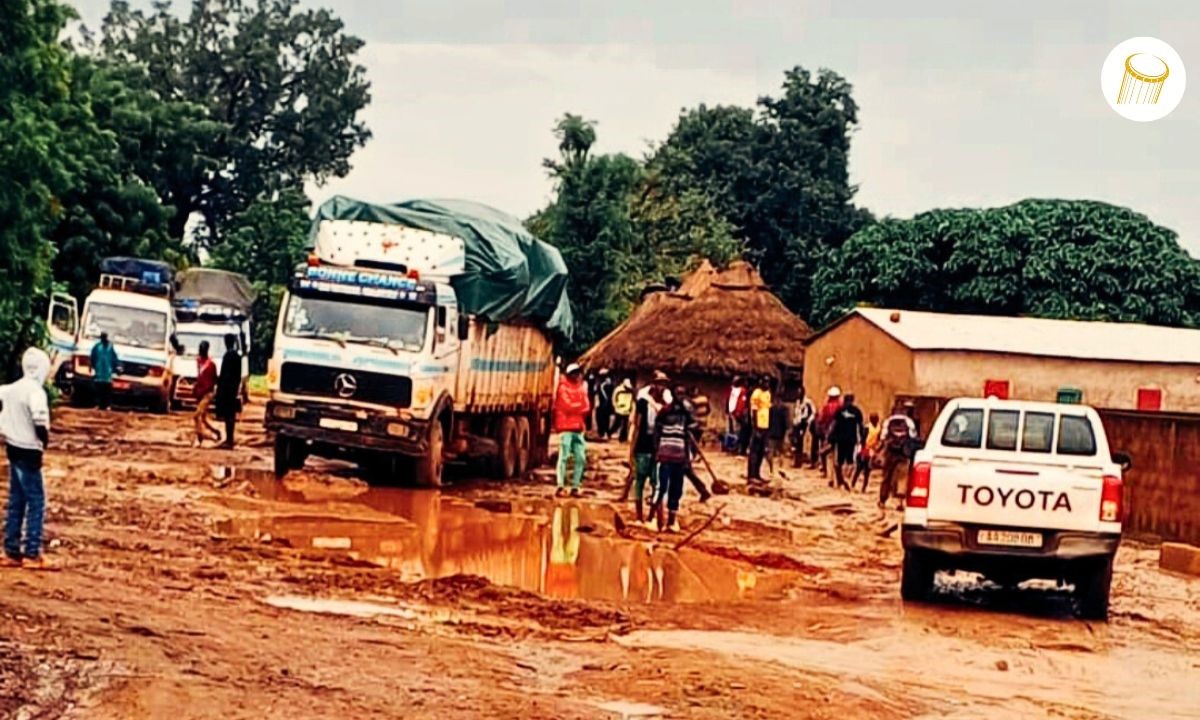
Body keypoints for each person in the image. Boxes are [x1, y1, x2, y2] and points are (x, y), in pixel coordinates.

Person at [1, 348, 53, 569]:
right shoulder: (35, 393)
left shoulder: (10, 389)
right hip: (30, 450)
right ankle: (32, 553)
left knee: (16, 501)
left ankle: (10, 550)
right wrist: (44, 443)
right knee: (36, 502)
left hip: (13, 447)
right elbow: (40, 423)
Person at [650, 390, 697, 533]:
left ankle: (671, 520)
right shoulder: (665, 412)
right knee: (661, 487)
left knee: (676, 489)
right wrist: (657, 450)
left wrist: (688, 457)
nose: (680, 397)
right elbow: (656, 431)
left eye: (682, 394)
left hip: (679, 457)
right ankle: (653, 518)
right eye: (678, 394)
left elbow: (690, 432)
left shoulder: (685, 413)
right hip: (665, 455)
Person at [553, 363, 591, 497]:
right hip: (565, 428)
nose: (577, 375)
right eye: (574, 373)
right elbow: (567, 406)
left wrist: (576, 408)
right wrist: (579, 406)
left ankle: (575, 486)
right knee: (564, 457)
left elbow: (587, 406)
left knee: (581, 458)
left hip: (578, 427)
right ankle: (560, 486)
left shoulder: (581, 388)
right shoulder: (563, 388)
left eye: (578, 373)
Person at [879, 401, 919, 509]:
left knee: (887, 476)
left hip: (890, 453)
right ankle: (900, 502)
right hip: (903, 453)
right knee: (902, 477)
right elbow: (913, 437)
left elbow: (882, 438)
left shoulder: (888, 421)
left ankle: (882, 500)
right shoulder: (909, 422)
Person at [831, 394, 865, 491]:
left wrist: (830, 436)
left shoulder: (841, 410)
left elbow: (834, 424)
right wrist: (862, 439)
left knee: (842, 461)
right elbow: (861, 426)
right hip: (849, 439)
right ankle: (843, 480)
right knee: (847, 461)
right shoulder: (856, 411)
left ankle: (842, 480)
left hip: (843, 439)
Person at [214, 334, 243, 449]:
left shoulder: (228, 356)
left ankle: (229, 440)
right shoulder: (237, 356)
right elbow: (238, 375)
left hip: (227, 390)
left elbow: (225, 375)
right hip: (233, 389)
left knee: (228, 416)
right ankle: (229, 439)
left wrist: (221, 388)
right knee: (230, 416)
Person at [192, 341, 221, 447]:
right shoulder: (199, 361)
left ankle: (199, 437)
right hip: (200, 392)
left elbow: (213, 380)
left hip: (208, 393)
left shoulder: (211, 364)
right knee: (203, 418)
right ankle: (216, 432)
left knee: (196, 415)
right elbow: (199, 376)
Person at [746, 376, 773, 483]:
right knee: (754, 451)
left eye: (768, 383)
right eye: (765, 382)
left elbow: (768, 410)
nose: (767, 385)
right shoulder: (756, 394)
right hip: (758, 426)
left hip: (765, 426)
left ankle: (757, 474)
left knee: (761, 452)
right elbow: (754, 411)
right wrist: (755, 427)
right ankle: (751, 475)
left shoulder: (768, 394)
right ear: (761, 382)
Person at [814, 387, 843, 477]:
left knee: (824, 453)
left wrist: (820, 428)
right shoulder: (841, 407)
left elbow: (821, 419)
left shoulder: (826, 407)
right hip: (840, 434)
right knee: (837, 455)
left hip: (828, 433)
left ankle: (826, 471)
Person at [853, 412, 882, 492]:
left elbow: (878, 438)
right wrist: (863, 451)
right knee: (859, 468)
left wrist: (877, 448)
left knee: (867, 470)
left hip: (872, 449)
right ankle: (853, 484)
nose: (875, 420)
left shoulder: (879, 427)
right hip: (864, 449)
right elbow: (863, 440)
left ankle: (864, 487)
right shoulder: (867, 427)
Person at [90, 332, 119, 410]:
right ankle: (98, 404)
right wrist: (92, 367)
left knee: (107, 390)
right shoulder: (97, 346)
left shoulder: (110, 346)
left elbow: (114, 358)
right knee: (98, 390)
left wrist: (116, 368)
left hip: (107, 373)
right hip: (99, 371)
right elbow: (92, 357)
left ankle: (107, 405)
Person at [790, 388, 816, 469]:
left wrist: (808, 421)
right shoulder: (797, 402)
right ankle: (797, 461)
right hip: (797, 424)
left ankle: (802, 461)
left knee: (801, 442)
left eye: (800, 392)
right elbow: (796, 413)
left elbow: (813, 412)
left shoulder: (808, 402)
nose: (798, 394)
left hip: (804, 424)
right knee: (796, 443)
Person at [610, 376, 634, 443]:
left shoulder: (630, 391)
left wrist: (631, 408)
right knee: (617, 424)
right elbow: (614, 398)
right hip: (619, 409)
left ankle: (623, 438)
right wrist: (615, 406)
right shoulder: (618, 390)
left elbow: (631, 400)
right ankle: (610, 432)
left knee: (625, 425)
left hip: (627, 410)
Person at [725, 376, 744, 446]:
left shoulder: (742, 390)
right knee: (728, 429)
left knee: (736, 429)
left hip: (736, 413)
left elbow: (741, 403)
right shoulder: (731, 389)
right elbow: (728, 399)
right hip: (729, 412)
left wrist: (738, 412)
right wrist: (727, 411)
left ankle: (735, 445)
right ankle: (728, 445)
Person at [595, 369, 615, 440]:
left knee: (602, 419)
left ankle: (603, 433)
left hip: (604, 405)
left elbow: (600, 394)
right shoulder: (608, 383)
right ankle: (604, 433)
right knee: (604, 419)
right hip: (605, 404)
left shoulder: (604, 384)